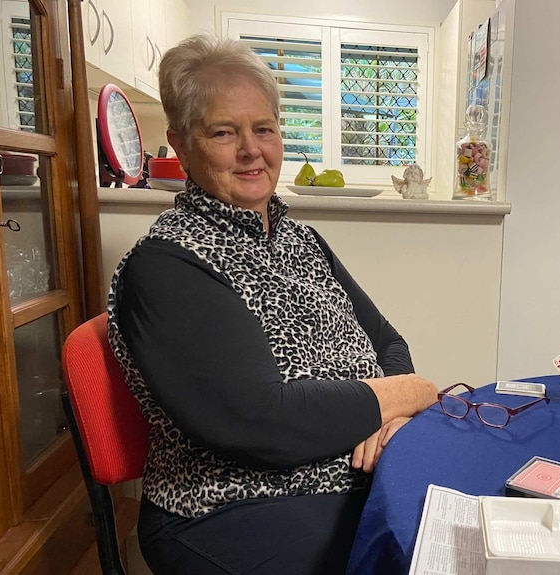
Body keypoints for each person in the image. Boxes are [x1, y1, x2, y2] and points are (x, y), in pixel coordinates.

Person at [106, 34, 439, 575]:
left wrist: (389, 417)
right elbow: (262, 423)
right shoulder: (166, 266)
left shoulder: (300, 240)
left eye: (264, 129)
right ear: (180, 143)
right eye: (223, 132)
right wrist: (413, 392)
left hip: (352, 473)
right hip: (230, 507)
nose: (251, 150)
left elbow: (387, 343)